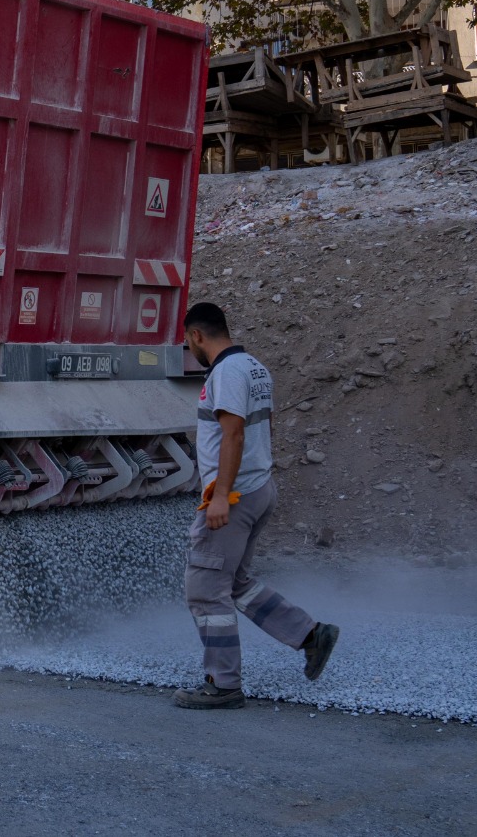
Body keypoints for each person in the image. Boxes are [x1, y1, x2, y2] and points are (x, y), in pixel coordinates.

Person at [173, 301, 339, 710]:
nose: (189, 348)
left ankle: (223, 684)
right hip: (259, 487)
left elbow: (233, 436)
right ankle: (310, 635)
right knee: (235, 583)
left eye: (187, 341)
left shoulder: (226, 372)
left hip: (234, 496)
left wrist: (220, 497)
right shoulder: (254, 366)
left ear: (196, 335)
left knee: (205, 590)